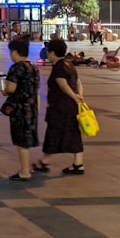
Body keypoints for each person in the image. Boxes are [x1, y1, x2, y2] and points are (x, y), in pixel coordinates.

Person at [34, 38, 86, 175]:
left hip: (60, 107)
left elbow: (62, 84)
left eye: (48, 52)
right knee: (74, 133)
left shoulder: (59, 67)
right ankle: (78, 164)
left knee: (53, 133)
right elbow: (78, 82)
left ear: (52, 52)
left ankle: (44, 162)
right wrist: (79, 95)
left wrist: (74, 96)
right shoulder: (69, 64)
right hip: (71, 106)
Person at [0, 36, 40, 181]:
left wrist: (4, 90)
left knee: (21, 141)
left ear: (15, 52)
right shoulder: (33, 67)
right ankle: (26, 168)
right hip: (32, 107)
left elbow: (11, 88)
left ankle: (24, 171)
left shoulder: (16, 68)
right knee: (26, 139)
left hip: (20, 109)